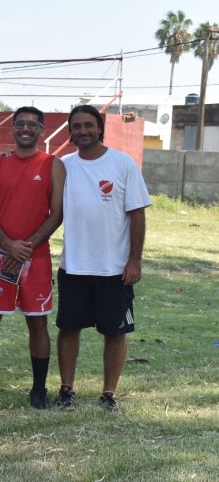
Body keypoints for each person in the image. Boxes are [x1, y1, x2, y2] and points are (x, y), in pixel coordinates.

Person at [55, 105, 150, 412]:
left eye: (88, 125)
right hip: (74, 265)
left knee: (115, 331)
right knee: (68, 328)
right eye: (76, 126)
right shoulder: (63, 165)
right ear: (71, 132)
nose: (82, 131)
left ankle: (109, 393)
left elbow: (137, 214)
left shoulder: (122, 164)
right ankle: (66, 389)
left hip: (113, 268)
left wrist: (134, 261)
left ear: (99, 128)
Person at [0, 106, 65, 409]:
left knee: (38, 324)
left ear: (41, 130)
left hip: (36, 257)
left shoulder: (53, 164)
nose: (25, 129)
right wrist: (6, 243)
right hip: (0, 255)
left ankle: (39, 388)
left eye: (32, 124)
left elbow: (57, 214)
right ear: (12, 128)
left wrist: (26, 246)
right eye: (20, 124)